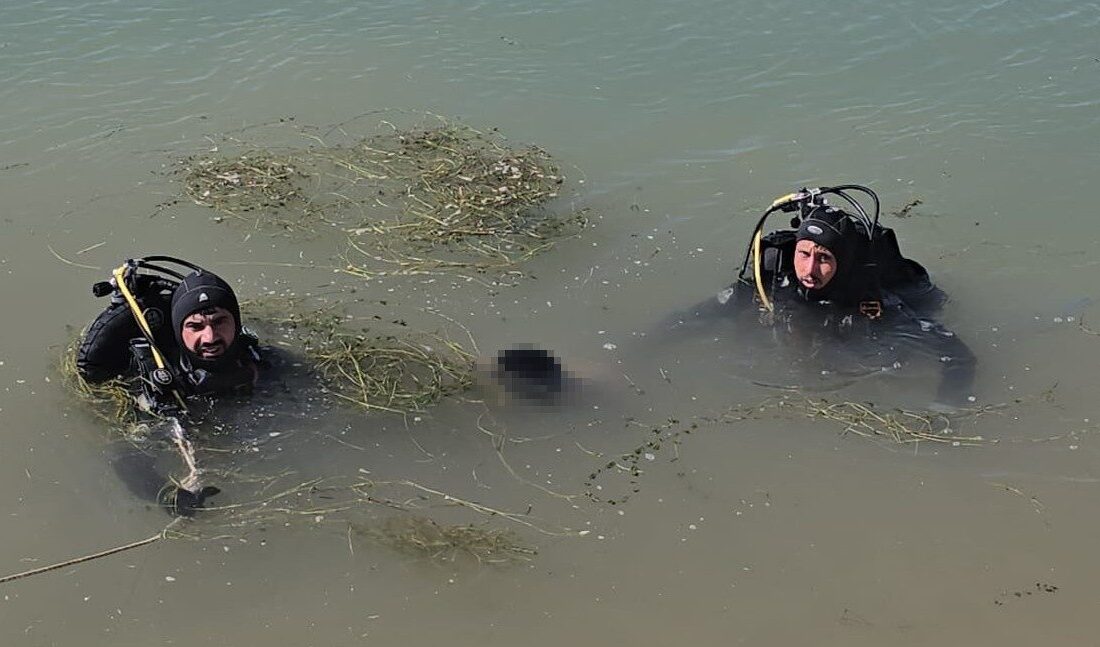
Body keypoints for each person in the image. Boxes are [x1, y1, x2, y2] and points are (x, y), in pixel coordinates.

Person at [665, 185, 976, 409]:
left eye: (824, 258)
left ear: (843, 261)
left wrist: (945, 409)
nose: (809, 269)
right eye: (804, 254)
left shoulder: (873, 300)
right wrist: (643, 349)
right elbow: (694, 318)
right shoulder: (775, 280)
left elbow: (959, 357)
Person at [76, 256, 264, 515]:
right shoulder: (157, 383)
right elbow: (125, 456)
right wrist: (167, 495)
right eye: (195, 326)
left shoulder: (258, 360)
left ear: (236, 322)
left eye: (219, 322)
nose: (209, 337)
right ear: (178, 330)